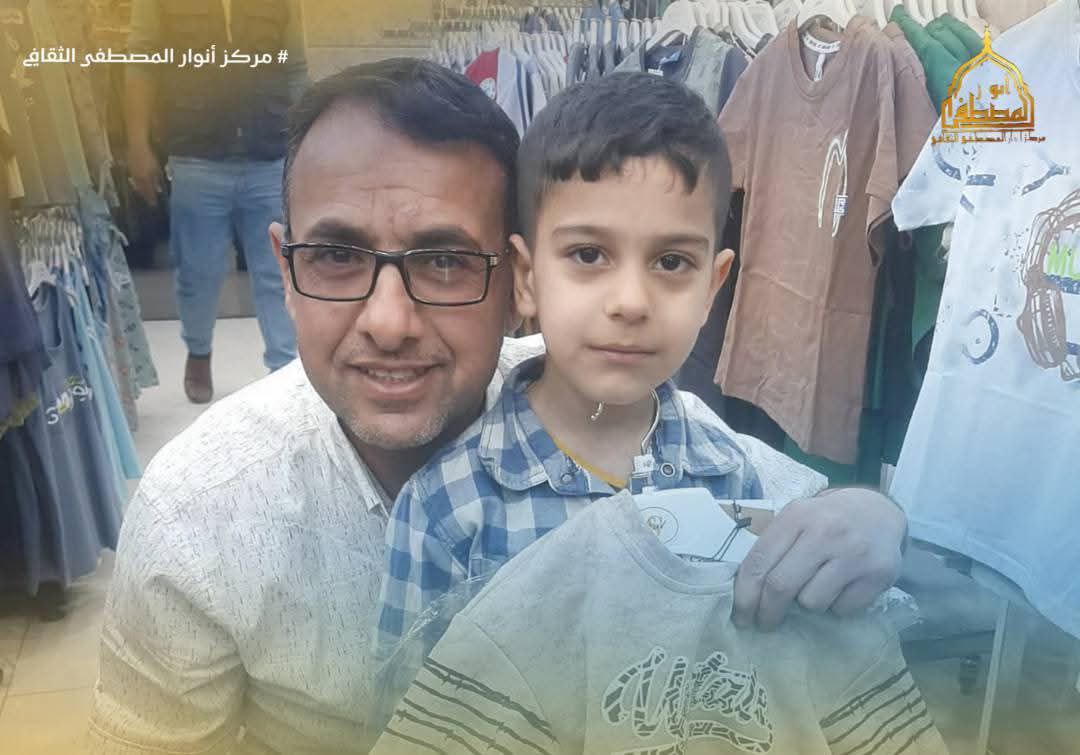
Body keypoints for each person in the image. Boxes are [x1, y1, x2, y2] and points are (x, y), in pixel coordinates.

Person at [90, 60, 905, 754]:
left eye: (444, 261)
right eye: (337, 256)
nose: (388, 321)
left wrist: (872, 515)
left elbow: (760, 487)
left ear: (514, 288)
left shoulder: (593, 389)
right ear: (285, 269)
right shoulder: (198, 517)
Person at [373, 72, 908, 683]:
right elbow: (406, 711)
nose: (630, 302)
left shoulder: (731, 476)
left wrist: (880, 516)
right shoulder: (450, 509)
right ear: (526, 277)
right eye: (588, 255)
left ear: (712, 286)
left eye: (671, 262)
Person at [125, 0, 306, 403]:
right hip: (197, 156)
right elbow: (141, 63)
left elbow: (295, 68)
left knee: (277, 269)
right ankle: (198, 351)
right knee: (198, 272)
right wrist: (137, 145)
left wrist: (305, 141)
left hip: (270, 153)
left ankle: (285, 370)